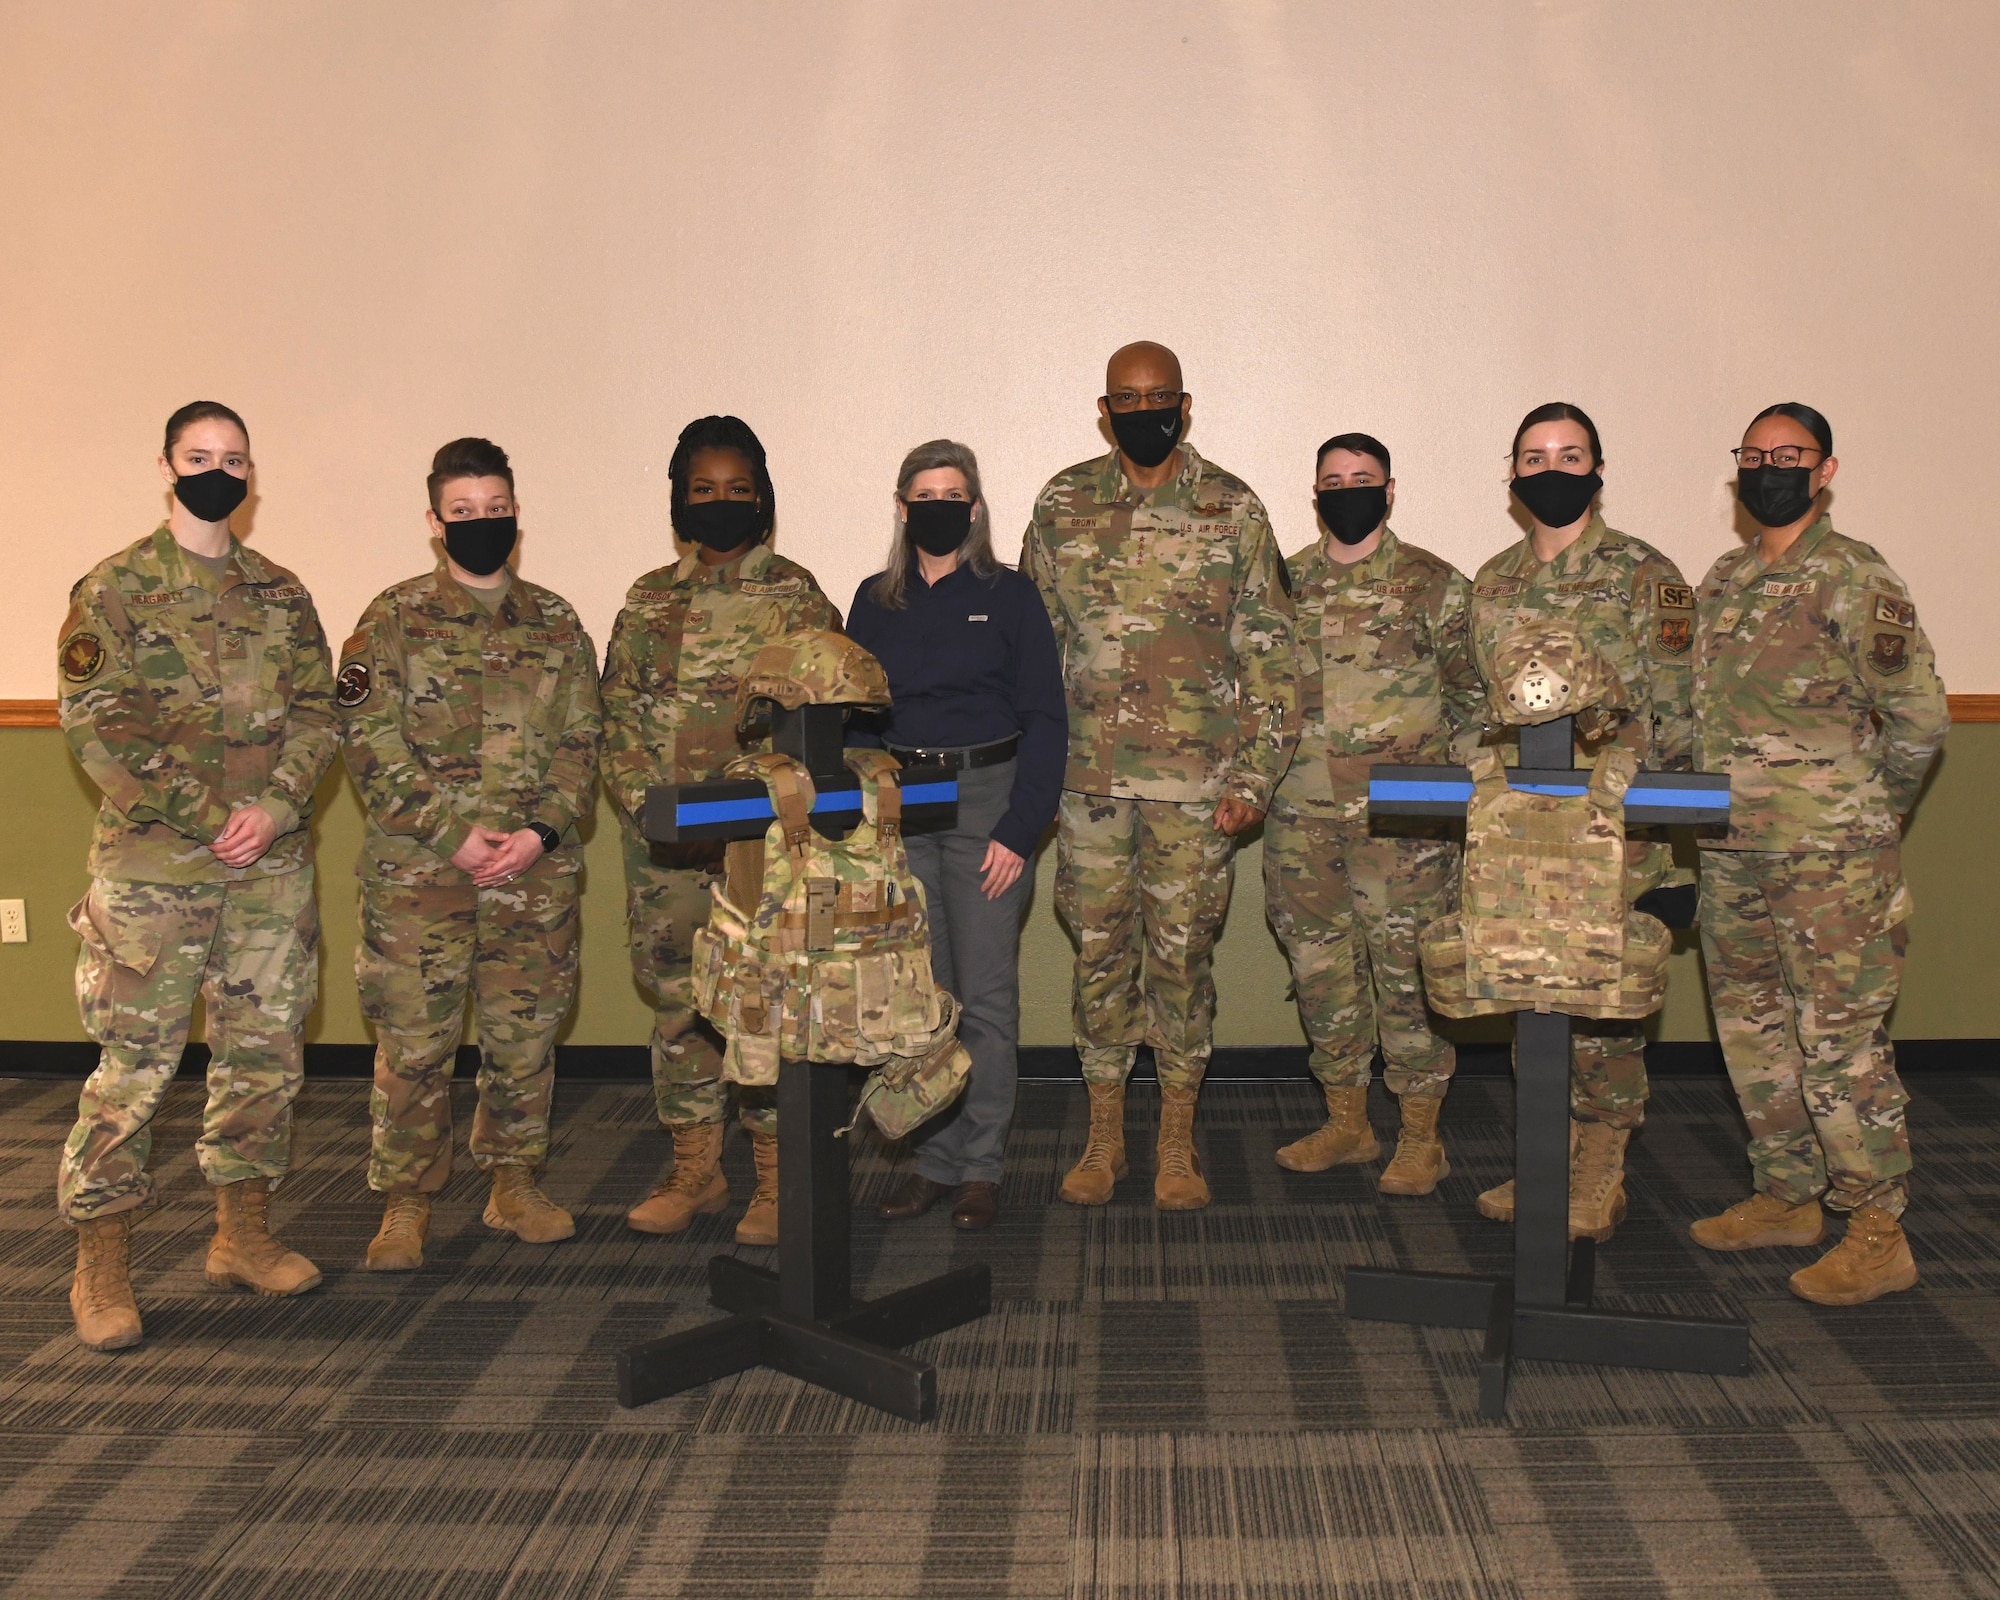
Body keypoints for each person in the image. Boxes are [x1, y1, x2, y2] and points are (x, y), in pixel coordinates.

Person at [56, 401, 339, 1351]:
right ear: (167, 466)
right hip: (154, 872)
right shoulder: (116, 590)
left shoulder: (283, 593)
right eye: (198, 456)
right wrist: (214, 817)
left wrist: (279, 808)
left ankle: (242, 1236)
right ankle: (102, 1264)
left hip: (269, 867)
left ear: (252, 474)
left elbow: (317, 715)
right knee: (134, 1071)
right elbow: (100, 727)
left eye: (235, 458)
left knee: (263, 1058)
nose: (218, 471)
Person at [1021, 341, 1297, 1211]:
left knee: (1181, 962)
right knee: (1099, 956)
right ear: (1104, 411)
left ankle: (1176, 1141)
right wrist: (1035, 784)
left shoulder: (1233, 508)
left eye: (1161, 395)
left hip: (1198, 793)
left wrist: (1253, 781)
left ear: (1186, 402)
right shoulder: (1063, 504)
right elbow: (1033, 656)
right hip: (1087, 789)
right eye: (1127, 399)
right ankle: (1104, 1139)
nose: (1145, 410)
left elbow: (1273, 657)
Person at [1689, 403, 1946, 1304]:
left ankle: (1877, 1229)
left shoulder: (1853, 576)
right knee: (1753, 1030)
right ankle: (1787, 1194)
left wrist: (1866, 814)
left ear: (1825, 470)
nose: (1769, 469)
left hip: (1831, 861)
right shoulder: (1723, 579)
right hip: (1730, 853)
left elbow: (1919, 719)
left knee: (1839, 1043)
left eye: (1788, 456)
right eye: (1754, 456)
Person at [339, 437, 601, 1270]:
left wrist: (539, 833)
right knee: (414, 1044)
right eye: (463, 513)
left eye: (495, 511)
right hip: (421, 875)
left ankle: (513, 1183)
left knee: (524, 1037)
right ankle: (407, 1199)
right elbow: (368, 741)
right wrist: (451, 834)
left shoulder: (557, 623)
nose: (481, 524)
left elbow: (584, 741)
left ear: (516, 514)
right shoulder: (391, 619)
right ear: (433, 521)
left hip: (534, 873)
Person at [600, 415, 839, 1245]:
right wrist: (655, 814)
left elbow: (821, 729)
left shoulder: (798, 597)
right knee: (678, 1006)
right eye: (704, 490)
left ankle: (774, 1180)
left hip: (761, 850)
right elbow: (617, 720)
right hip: (662, 848)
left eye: (738, 490)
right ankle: (695, 1169)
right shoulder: (646, 600)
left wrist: (742, 824)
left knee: (762, 1005)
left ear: (763, 498)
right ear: (679, 501)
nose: (722, 503)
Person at [1465, 403, 1694, 1243]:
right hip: (1519, 833)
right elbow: (1470, 701)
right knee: (1532, 983)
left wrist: (1622, 769)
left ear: (1599, 467)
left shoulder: (1644, 575)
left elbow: (1675, 709)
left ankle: (1601, 1161)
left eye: (1570, 454)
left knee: (1602, 998)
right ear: (1513, 474)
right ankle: (1549, 1152)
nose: (1551, 469)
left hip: (1609, 830)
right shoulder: (1490, 582)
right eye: (1534, 457)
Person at [848, 440, 1066, 1230]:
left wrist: (1020, 828)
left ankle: (981, 1166)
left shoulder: (1010, 597)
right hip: (905, 805)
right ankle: (932, 1162)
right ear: (903, 507)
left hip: (988, 802)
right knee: (921, 999)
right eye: (923, 494)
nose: (938, 506)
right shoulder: (875, 601)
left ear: (973, 508)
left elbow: (1046, 717)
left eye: (954, 493)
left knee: (985, 998)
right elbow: (855, 717)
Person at [1264, 433, 1482, 1192]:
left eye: (1364, 479)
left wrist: (1443, 790)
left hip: (1404, 823)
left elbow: (1472, 696)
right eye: (1334, 480)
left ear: (1389, 491)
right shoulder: (1281, 584)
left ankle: (1420, 1135)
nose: (1348, 490)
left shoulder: (1434, 585)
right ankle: (1347, 1123)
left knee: (1406, 973)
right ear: (1315, 493)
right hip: (1301, 818)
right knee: (1320, 971)